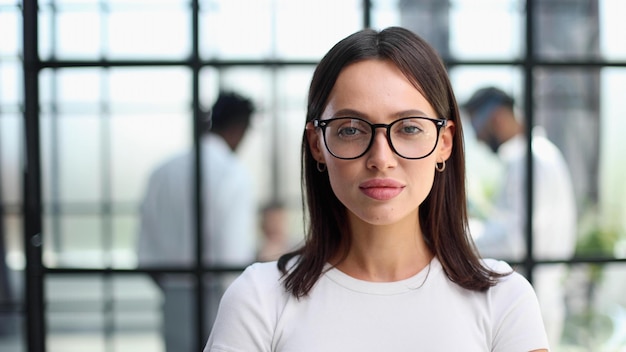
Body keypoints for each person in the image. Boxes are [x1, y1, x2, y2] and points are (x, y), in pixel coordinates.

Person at [204, 27, 549, 351]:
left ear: (444, 142)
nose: (381, 158)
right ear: (317, 144)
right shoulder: (260, 299)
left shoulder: (504, 299)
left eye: (409, 128)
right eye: (351, 129)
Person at [137, 91, 258, 352]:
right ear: (240, 128)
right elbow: (233, 258)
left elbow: (145, 254)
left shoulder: (162, 172)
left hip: (173, 298)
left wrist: (175, 286)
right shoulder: (232, 174)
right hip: (219, 300)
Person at [463, 86, 577, 346]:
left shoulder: (528, 161)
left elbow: (516, 240)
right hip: (542, 295)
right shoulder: (539, 154)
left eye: (476, 128)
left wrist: (457, 235)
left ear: (497, 119)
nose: (478, 140)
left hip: (533, 297)